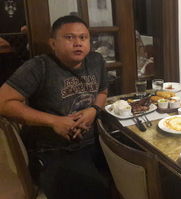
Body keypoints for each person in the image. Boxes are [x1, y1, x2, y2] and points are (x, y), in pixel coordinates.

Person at [0, 15, 111, 199]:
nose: (78, 43)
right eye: (69, 37)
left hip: (93, 141)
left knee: (129, 166)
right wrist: (54, 121)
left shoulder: (96, 61)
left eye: (83, 38)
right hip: (52, 148)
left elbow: (103, 91)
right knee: (93, 190)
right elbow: (3, 101)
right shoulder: (39, 66)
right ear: (53, 43)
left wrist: (94, 110)